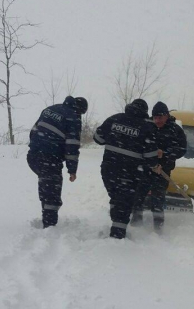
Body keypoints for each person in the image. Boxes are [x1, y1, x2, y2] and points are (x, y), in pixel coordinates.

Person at [93, 99, 160, 239]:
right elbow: (150, 156)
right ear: (145, 112)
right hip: (130, 172)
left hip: (108, 169)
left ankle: (115, 223)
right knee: (124, 202)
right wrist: (154, 165)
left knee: (115, 196)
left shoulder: (114, 119)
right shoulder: (146, 127)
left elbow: (98, 138)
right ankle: (117, 237)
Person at [27, 96, 88, 228]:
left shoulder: (50, 109)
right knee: (52, 190)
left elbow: (33, 131)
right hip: (49, 157)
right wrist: (72, 170)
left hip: (33, 156)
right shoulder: (73, 117)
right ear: (80, 110)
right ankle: (49, 227)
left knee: (46, 185)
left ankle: (46, 216)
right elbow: (72, 145)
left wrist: (36, 147)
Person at [131, 101, 187, 232]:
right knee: (138, 198)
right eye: (155, 117)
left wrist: (165, 154)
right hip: (144, 170)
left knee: (157, 201)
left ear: (167, 116)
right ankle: (136, 226)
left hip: (162, 171)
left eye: (160, 117)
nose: (157, 120)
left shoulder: (175, 130)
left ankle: (158, 229)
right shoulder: (146, 126)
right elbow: (137, 145)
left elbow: (182, 149)